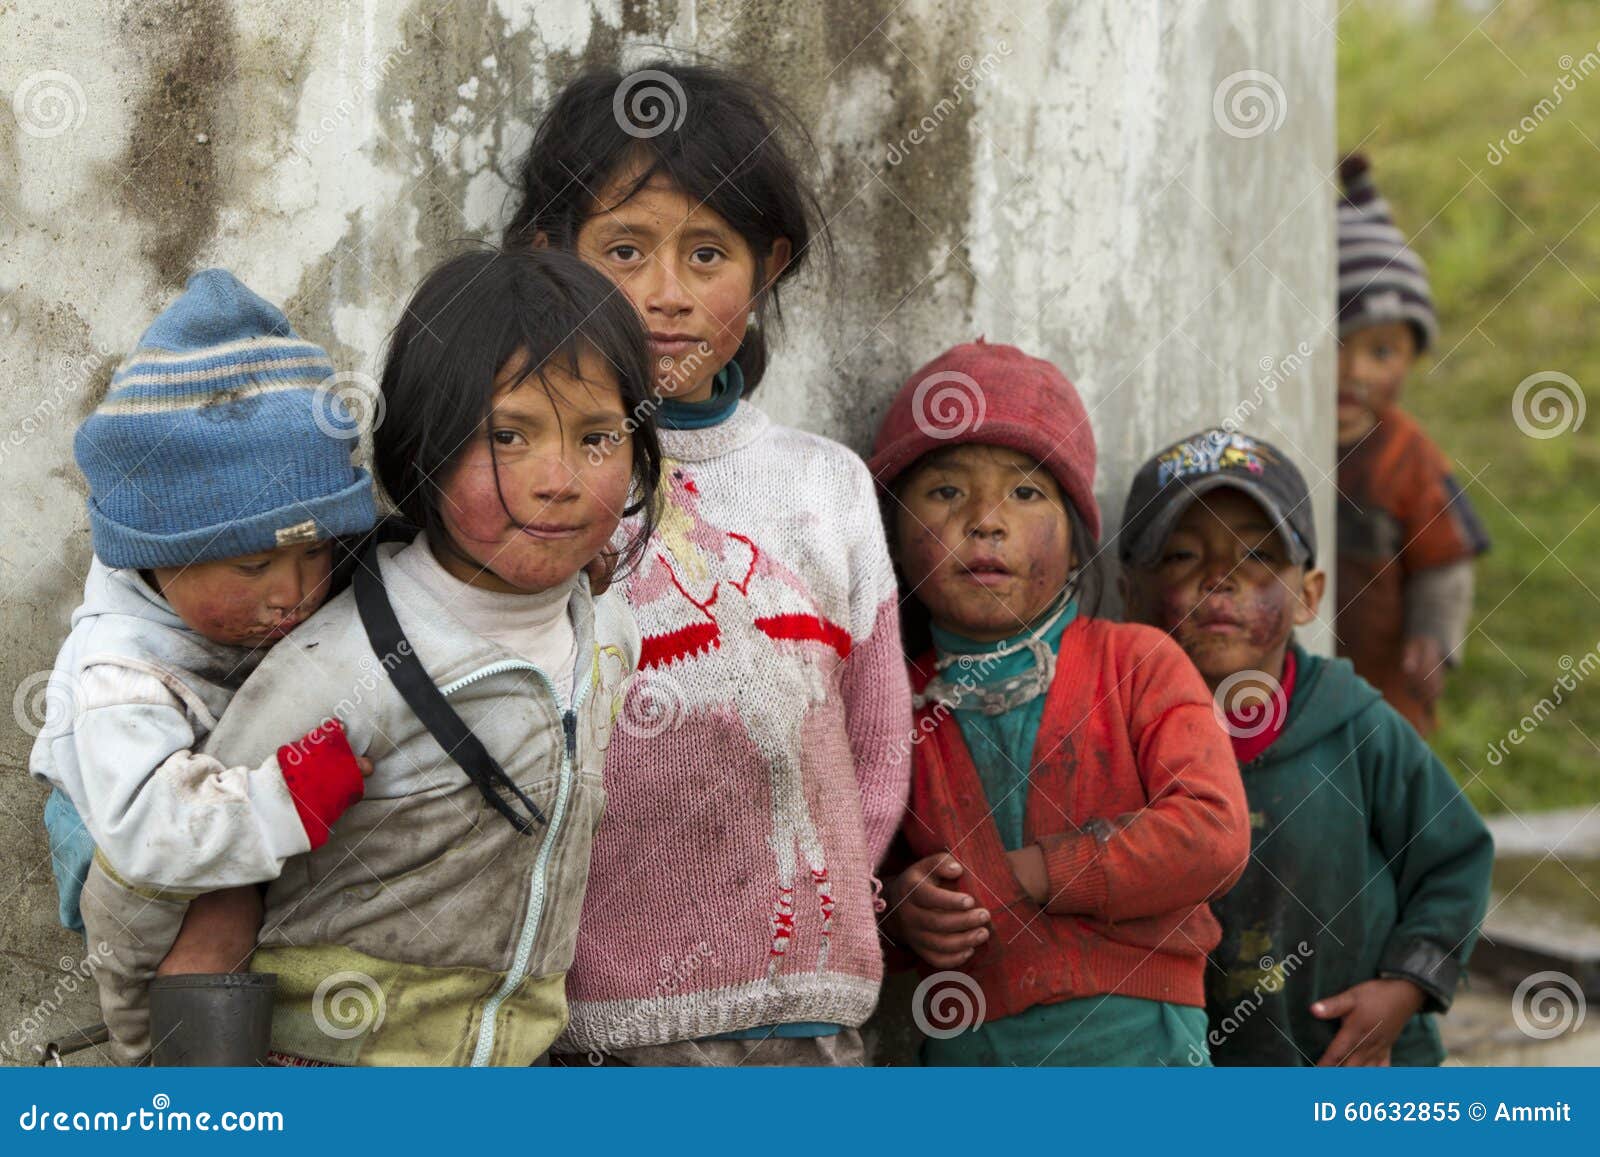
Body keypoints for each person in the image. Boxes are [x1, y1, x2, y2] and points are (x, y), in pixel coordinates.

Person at [145, 247, 657, 1065]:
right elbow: (194, 875)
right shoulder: (342, 670)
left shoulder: (608, 636)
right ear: (423, 448)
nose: (559, 479)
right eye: (508, 435)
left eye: (598, 437)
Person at [507, 62, 912, 1065]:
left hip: (809, 1012)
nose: (666, 294)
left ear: (765, 267)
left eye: (706, 253)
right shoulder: (531, 489)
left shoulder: (826, 486)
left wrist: (822, 899)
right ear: (548, 257)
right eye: (625, 249)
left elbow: (877, 730)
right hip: (602, 1024)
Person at [32, 268, 377, 1063]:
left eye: (317, 549)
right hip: (135, 865)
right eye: (254, 567)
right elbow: (155, 831)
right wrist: (294, 794)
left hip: (220, 814)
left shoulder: (269, 578)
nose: (292, 592)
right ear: (161, 554)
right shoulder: (119, 675)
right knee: (191, 1009)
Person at [871, 340, 1250, 1066]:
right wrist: (901, 907)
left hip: (1140, 1048)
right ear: (892, 537)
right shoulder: (891, 700)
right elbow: (845, 873)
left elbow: (1213, 831)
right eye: (946, 492)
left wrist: (1037, 871)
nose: (985, 520)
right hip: (972, 1053)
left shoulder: (1137, 663)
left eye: (1025, 492)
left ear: (1079, 548)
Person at [1121, 427, 1494, 1065]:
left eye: (1258, 556)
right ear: (1131, 591)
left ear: (1308, 596)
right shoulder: (1119, 741)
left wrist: (1405, 989)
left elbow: (1455, 860)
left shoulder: (1359, 729)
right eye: (1183, 556)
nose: (1220, 580)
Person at [1336, 153, 1491, 734]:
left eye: (1381, 352)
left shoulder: (1408, 456)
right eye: (1333, 346)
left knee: (1388, 797)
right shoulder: (1283, 437)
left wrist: (1434, 639)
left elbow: (1446, 562)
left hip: (1385, 694)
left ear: (1412, 357)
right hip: (1289, 688)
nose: (1354, 372)